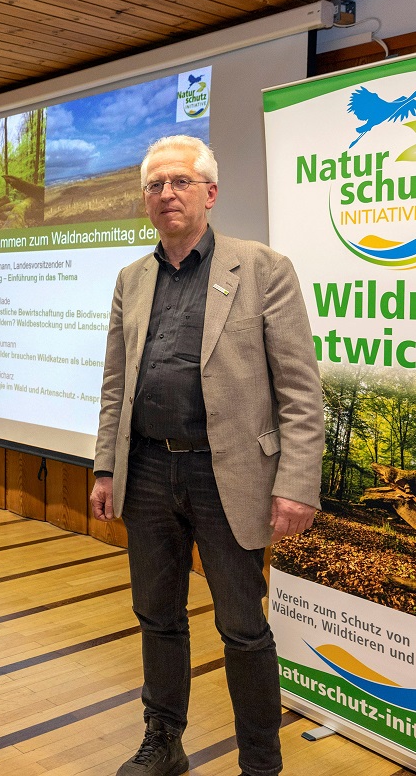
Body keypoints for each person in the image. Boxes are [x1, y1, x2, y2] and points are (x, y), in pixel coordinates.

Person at [89, 136, 325, 776]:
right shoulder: (131, 280)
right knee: (157, 615)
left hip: (231, 477)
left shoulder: (263, 268)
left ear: (210, 193)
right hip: (148, 472)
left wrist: (297, 482)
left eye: (181, 182)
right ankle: (163, 743)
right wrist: (106, 467)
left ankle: (260, 762)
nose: (167, 193)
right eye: (156, 184)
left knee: (243, 628)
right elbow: (117, 384)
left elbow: (301, 388)